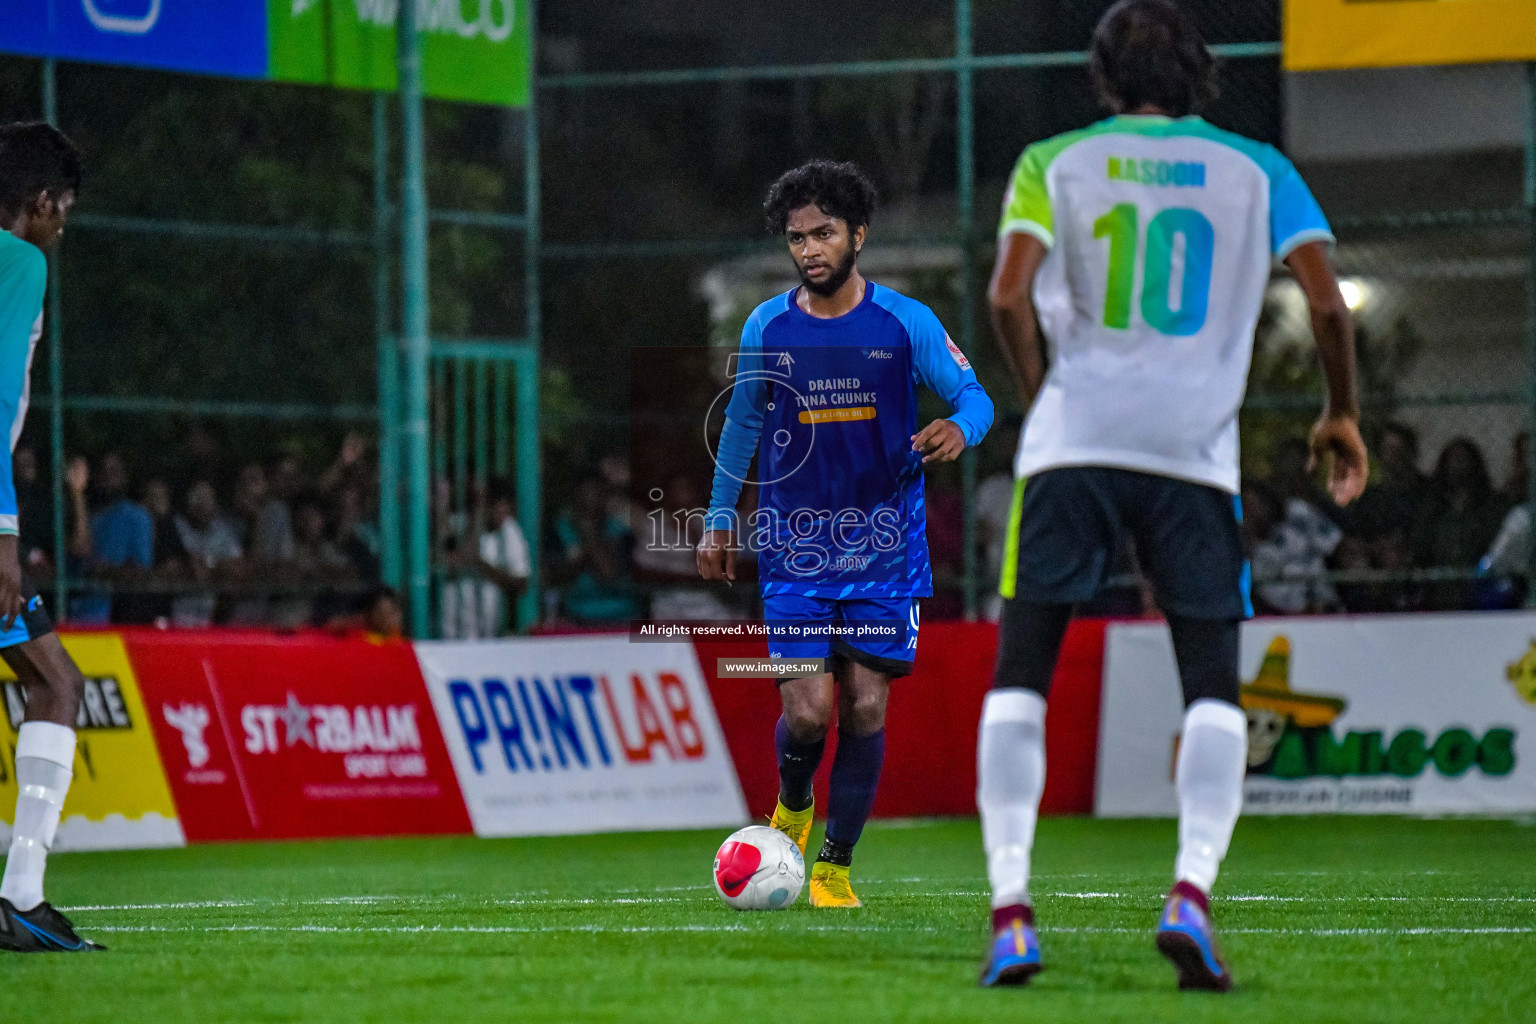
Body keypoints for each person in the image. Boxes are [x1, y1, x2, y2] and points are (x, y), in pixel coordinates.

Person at [976, 2, 1366, 990]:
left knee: (1022, 673)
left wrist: (1046, 396)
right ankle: (1190, 893)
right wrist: (1341, 414)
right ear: (1201, 73)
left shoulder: (1050, 161)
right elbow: (1326, 299)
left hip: (1075, 443)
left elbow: (1007, 296)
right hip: (1193, 458)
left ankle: (1013, 913)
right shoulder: (1259, 170)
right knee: (1213, 687)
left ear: (1103, 75)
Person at [697, 160, 993, 908]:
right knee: (807, 709)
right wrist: (719, 516)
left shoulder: (905, 323)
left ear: (858, 233)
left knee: (864, 706)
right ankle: (793, 804)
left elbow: (974, 395)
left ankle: (832, 867)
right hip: (796, 551)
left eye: (823, 233)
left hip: (886, 552)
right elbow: (741, 426)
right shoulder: (768, 324)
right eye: (797, 238)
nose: (809, 250)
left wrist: (959, 426)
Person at [0, 121, 102, 951]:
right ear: (37, 203)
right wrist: (2, 533)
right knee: (57, 684)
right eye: (62, 208)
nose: (62, 225)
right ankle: (21, 897)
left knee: (52, 676)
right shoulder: (19, 262)